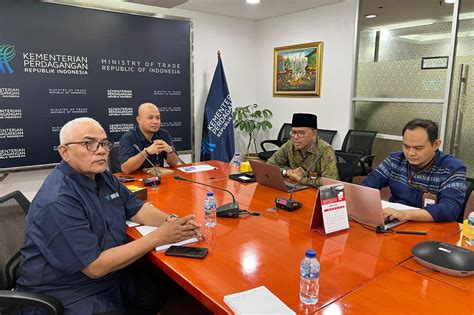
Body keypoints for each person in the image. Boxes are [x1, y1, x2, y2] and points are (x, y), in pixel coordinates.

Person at [16, 117, 203, 314]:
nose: (101, 150)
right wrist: (160, 236)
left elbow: (136, 208)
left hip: (111, 276)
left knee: (162, 292)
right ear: (65, 152)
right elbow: (94, 267)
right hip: (68, 289)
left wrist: (171, 222)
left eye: (104, 143)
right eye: (89, 143)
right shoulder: (58, 201)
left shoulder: (101, 176)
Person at [363, 118, 467, 222]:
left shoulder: (452, 168)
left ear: (435, 145)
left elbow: (449, 209)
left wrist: (404, 214)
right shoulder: (394, 160)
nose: (410, 153)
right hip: (394, 223)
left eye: (418, 148)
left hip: (431, 228)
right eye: (406, 146)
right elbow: (366, 187)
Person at [267, 113, 338, 187]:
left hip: (316, 193)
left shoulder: (325, 150)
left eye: (301, 133)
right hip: (295, 189)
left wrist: (301, 179)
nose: (295, 137)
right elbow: (268, 165)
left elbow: (330, 182)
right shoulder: (290, 145)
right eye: (293, 132)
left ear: (313, 134)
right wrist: (287, 172)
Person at [119, 102, 178, 174]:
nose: (155, 121)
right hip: (136, 181)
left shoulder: (164, 134)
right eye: (150, 118)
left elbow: (174, 163)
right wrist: (146, 152)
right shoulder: (128, 138)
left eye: (158, 118)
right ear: (139, 120)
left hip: (158, 179)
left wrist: (170, 151)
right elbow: (126, 169)